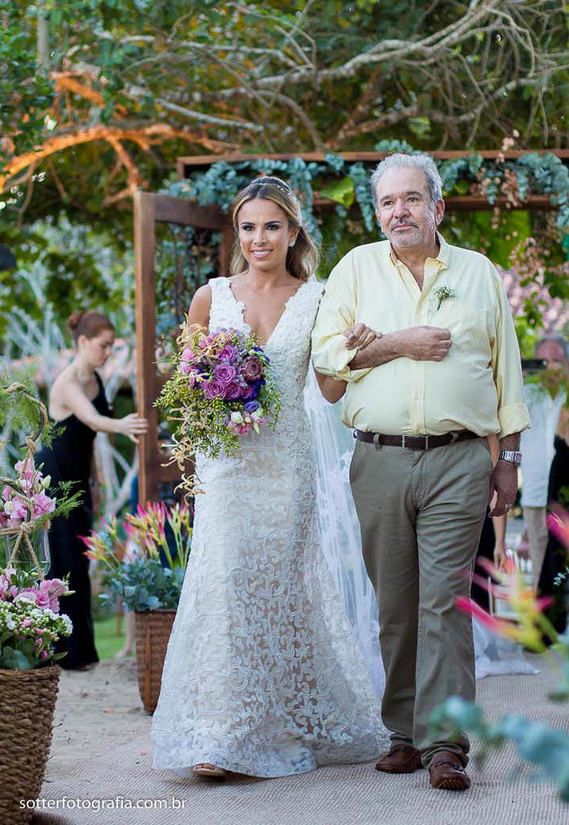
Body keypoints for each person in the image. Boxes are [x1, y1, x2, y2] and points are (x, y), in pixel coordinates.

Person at [152, 176, 388, 779]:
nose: (260, 238)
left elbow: (331, 391)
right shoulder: (211, 298)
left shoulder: (319, 297)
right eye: (249, 227)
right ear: (238, 233)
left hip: (287, 467)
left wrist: (359, 348)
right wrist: (213, 400)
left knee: (281, 590)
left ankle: (281, 718)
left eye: (272, 226)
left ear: (293, 231)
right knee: (225, 583)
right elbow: (184, 388)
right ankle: (221, 734)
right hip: (227, 468)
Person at [312, 152, 530, 792]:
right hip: (377, 456)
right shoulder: (354, 269)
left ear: (437, 207)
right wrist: (398, 344)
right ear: (376, 211)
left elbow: (506, 367)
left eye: (411, 199)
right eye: (387, 202)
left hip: (461, 458)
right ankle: (403, 734)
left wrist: (508, 458)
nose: (399, 211)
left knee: (444, 599)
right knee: (396, 604)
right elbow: (328, 362)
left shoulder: (478, 274)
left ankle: (445, 743)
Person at [36, 311, 146, 670]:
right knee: (62, 564)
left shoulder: (96, 377)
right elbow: (92, 419)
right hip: (56, 481)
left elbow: (91, 438)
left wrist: (96, 480)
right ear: (82, 342)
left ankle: (81, 653)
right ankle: (61, 654)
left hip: (80, 479)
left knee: (79, 563)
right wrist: (125, 424)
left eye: (110, 348)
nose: (106, 354)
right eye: (102, 346)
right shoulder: (66, 382)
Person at [520, 333, 569, 587]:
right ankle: (542, 624)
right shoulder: (527, 395)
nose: (551, 366)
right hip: (535, 494)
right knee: (540, 569)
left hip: (567, 494)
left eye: (557, 360)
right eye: (544, 361)